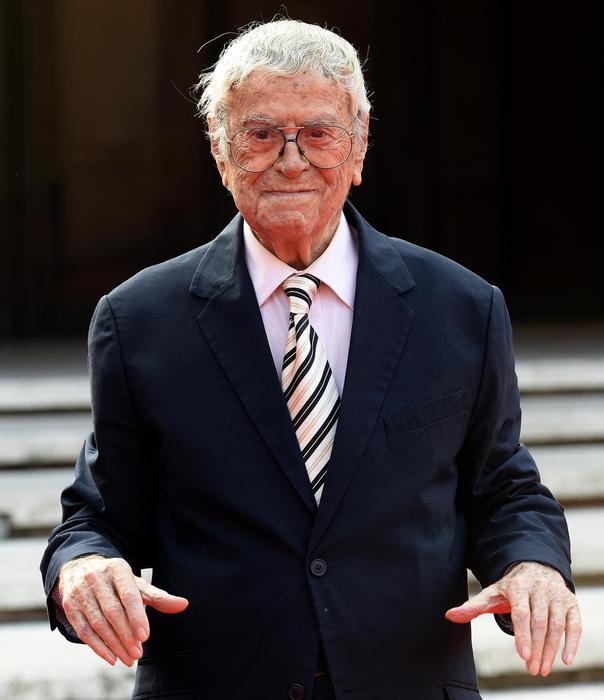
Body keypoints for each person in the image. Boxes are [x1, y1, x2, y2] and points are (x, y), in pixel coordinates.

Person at [41, 19, 581, 700]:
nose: (290, 160)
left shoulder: (463, 308)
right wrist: (83, 566)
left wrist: (534, 564)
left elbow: (502, 486)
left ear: (358, 149)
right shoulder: (139, 320)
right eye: (260, 134)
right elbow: (98, 514)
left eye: (319, 134)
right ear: (220, 151)